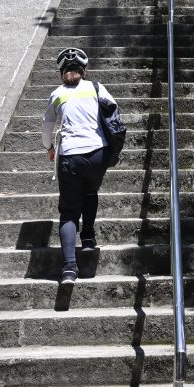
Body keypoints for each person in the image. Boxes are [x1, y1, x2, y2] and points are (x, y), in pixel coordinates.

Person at [41, 47, 116, 284]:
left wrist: (49, 148)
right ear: (84, 71)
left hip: (70, 156)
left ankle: (69, 269)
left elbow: (47, 127)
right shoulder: (96, 87)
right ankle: (89, 238)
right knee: (90, 192)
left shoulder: (56, 94)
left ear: (61, 73)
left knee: (69, 212)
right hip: (97, 153)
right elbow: (114, 111)